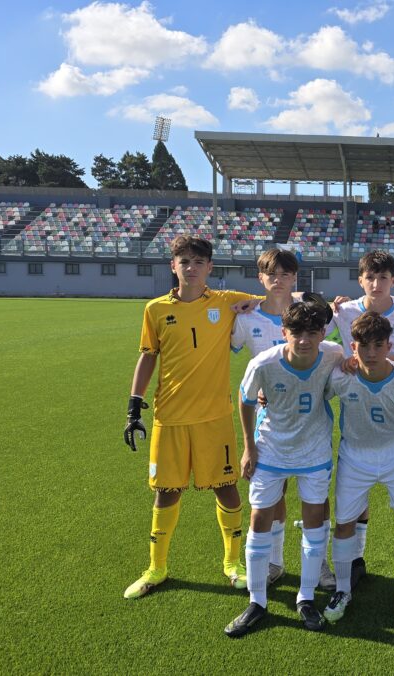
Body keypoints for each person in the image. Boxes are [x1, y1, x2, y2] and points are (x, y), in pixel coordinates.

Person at [122, 235, 261, 601]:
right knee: (166, 492)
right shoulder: (155, 310)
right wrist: (134, 405)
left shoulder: (227, 302)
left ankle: (233, 564)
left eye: (199, 262)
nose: (192, 268)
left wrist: (333, 303)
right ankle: (156, 568)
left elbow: (276, 300)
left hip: (215, 418)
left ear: (210, 267)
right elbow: (148, 355)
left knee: (226, 487)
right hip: (170, 417)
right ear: (173, 266)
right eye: (184, 261)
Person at [225, 295, 344, 637]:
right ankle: (257, 601)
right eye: (296, 332)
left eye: (312, 332)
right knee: (259, 518)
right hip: (271, 450)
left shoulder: (333, 354)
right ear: (283, 332)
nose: (304, 340)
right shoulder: (263, 363)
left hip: (313, 452)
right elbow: (246, 400)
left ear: (323, 333)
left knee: (314, 519)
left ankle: (305, 597)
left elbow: (352, 366)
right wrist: (249, 448)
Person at [325, 250, 394, 589]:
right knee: (357, 493)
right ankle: (355, 560)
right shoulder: (344, 311)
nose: (376, 283)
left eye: (383, 277)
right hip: (362, 400)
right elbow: (305, 321)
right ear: (360, 280)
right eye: (370, 277)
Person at [229, 248, 304, 587]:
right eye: (271, 274)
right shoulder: (246, 319)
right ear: (260, 278)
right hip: (266, 419)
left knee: (314, 494)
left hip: (308, 416)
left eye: (285, 274)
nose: (278, 280)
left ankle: (319, 563)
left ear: (295, 278)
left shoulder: (307, 314)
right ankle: (275, 561)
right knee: (274, 491)